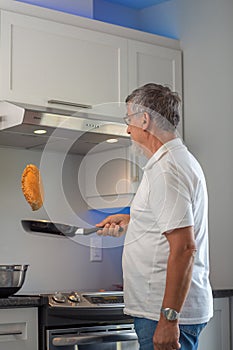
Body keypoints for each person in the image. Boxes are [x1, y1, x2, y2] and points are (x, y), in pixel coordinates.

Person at [96, 83, 213, 350]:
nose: (127, 129)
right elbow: (173, 226)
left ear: (144, 120)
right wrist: (132, 220)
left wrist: (169, 320)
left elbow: (184, 248)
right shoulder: (176, 161)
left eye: (129, 120)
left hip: (164, 312)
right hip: (163, 309)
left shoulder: (167, 169)